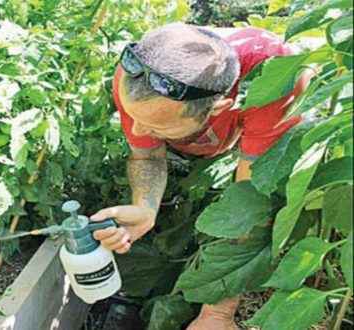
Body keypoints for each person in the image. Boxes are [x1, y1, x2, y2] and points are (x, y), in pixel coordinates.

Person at [89, 23, 312, 330]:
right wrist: (145, 207)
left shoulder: (278, 83)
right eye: (133, 117)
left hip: (252, 128)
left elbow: (248, 205)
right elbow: (148, 155)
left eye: (156, 126)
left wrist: (217, 314)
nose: (137, 131)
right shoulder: (137, 74)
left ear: (221, 107)